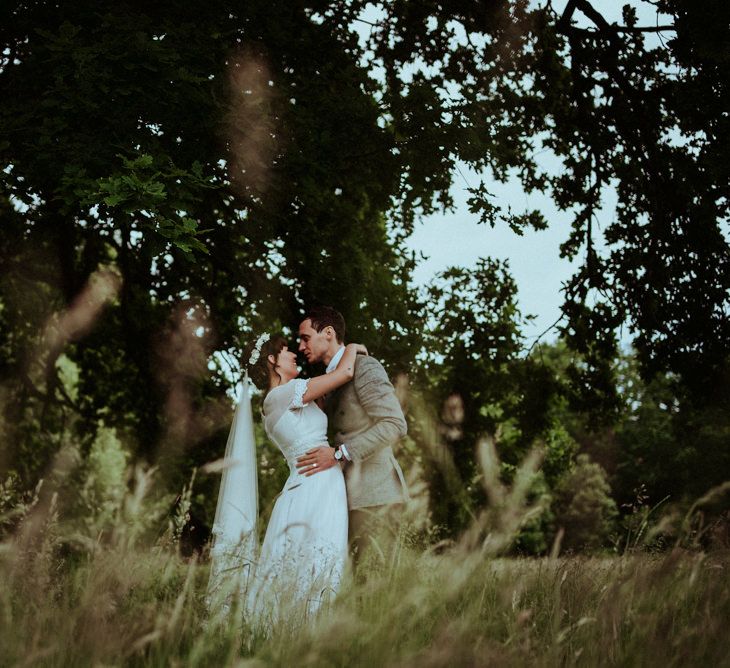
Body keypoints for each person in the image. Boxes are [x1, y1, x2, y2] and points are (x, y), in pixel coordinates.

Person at [206, 332, 367, 631]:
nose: (294, 354)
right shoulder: (282, 394)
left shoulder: (282, 400)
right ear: (272, 361)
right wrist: (354, 346)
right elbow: (345, 371)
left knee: (314, 568)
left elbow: (330, 386)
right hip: (315, 489)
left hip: (312, 486)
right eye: (286, 351)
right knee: (319, 566)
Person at [296, 306, 409, 562]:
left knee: (376, 591)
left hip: (376, 497)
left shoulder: (365, 367)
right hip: (344, 501)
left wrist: (339, 453)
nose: (301, 347)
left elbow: (394, 424)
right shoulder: (329, 380)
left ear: (328, 333)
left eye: (305, 338)